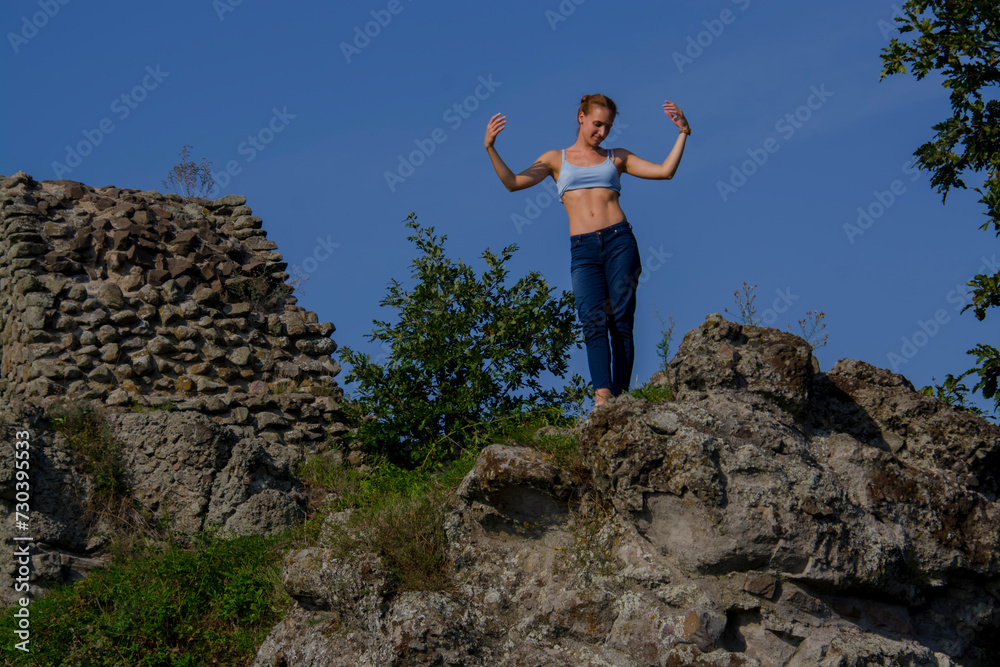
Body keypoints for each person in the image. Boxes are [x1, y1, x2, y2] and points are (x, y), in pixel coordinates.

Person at [484, 93, 690, 406]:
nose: (602, 132)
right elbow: (513, 182)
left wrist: (683, 131)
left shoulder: (617, 157)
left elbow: (665, 171)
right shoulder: (555, 159)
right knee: (593, 321)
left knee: (620, 321)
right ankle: (602, 399)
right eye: (597, 124)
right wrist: (490, 147)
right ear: (581, 117)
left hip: (620, 241)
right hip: (583, 250)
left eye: (607, 126)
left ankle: (622, 398)